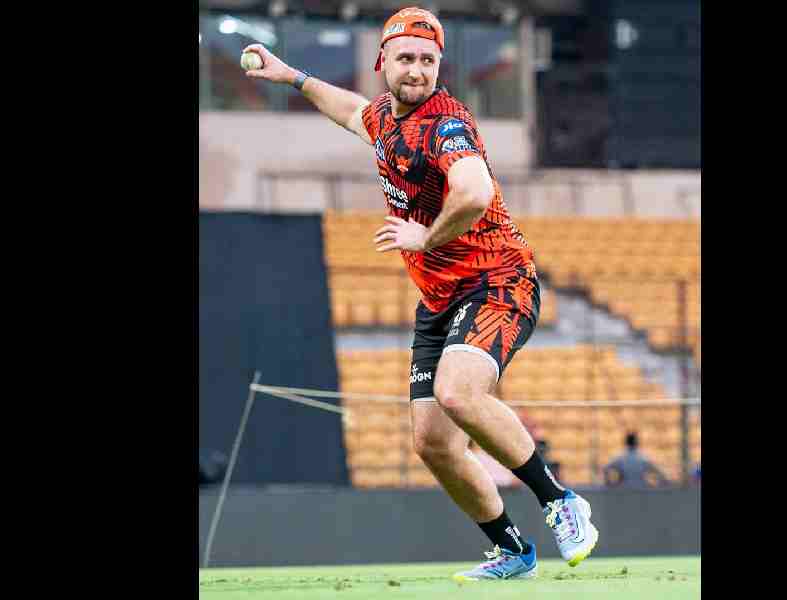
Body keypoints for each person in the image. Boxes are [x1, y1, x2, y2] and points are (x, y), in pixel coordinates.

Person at [242, 6, 598, 581]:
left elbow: (475, 190)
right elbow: (352, 111)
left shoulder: (446, 123)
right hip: (438, 299)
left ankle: (561, 500)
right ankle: (513, 551)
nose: (417, 70)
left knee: (458, 393)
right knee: (432, 442)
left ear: (440, 66)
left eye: (429, 60)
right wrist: (294, 77)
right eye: (406, 58)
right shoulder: (384, 116)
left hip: (497, 281)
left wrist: (425, 235)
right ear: (383, 61)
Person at [602, 432, 671, 489]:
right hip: (640, 489)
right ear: (637, 443)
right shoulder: (642, 458)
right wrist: (656, 486)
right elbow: (660, 473)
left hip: (624, 489)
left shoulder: (620, 458)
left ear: (626, 442)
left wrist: (610, 485)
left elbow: (606, 469)